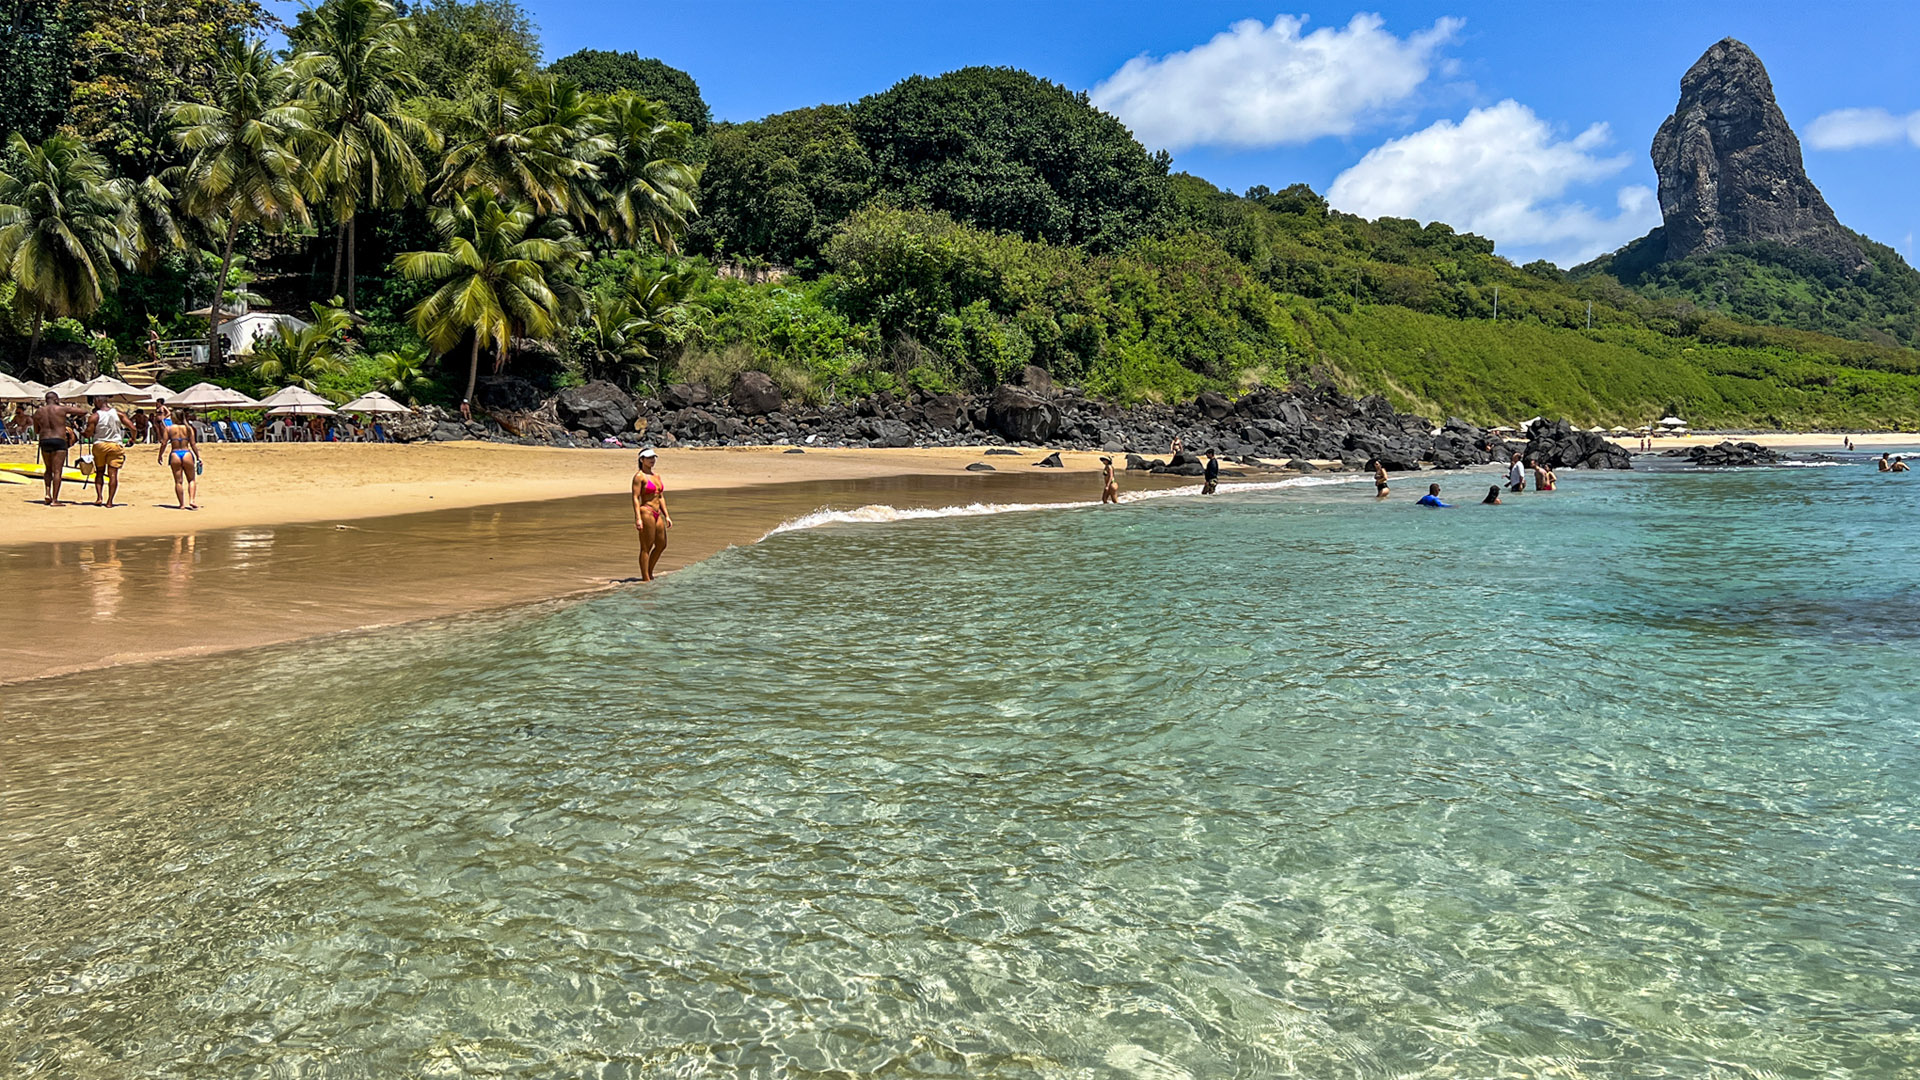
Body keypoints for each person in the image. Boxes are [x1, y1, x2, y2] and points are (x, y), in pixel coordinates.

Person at [30, 391, 89, 505]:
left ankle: (47, 493)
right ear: (56, 399)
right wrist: (71, 417)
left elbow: (37, 430)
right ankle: (55, 499)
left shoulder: (38, 412)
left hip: (44, 440)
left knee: (48, 469)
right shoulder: (61, 409)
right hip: (59, 440)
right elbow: (84, 412)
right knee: (57, 471)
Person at [84, 395, 132, 507]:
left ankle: (99, 497)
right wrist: (132, 438)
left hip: (100, 444)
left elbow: (88, 434)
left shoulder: (94, 416)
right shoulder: (119, 414)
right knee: (113, 474)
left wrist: (83, 433)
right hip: (115, 445)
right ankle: (110, 501)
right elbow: (132, 428)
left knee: (99, 472)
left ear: (97, 401)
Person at [632, 447, 670, 581]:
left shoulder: (656, 476)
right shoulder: (639, 477)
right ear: (642, 459)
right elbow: (636, 497)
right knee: (646, 547)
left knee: (661, 544)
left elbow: (660, 497)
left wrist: (667, 515)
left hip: (657, 513)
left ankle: (649, 571)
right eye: (648, 458)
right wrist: (638, 518)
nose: (652, 460)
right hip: (646, 511)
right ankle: (646, 578)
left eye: (653, 458)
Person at [157, 409, 200, 509]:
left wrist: (160, 455)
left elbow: (164, 443)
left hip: (175, 454)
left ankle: (181, 504)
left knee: (178, 481)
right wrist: (198, 457)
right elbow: (193, 444)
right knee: (191, 479)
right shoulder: (189, 429)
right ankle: (192, 500)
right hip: (187, 453)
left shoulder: (169, 429)